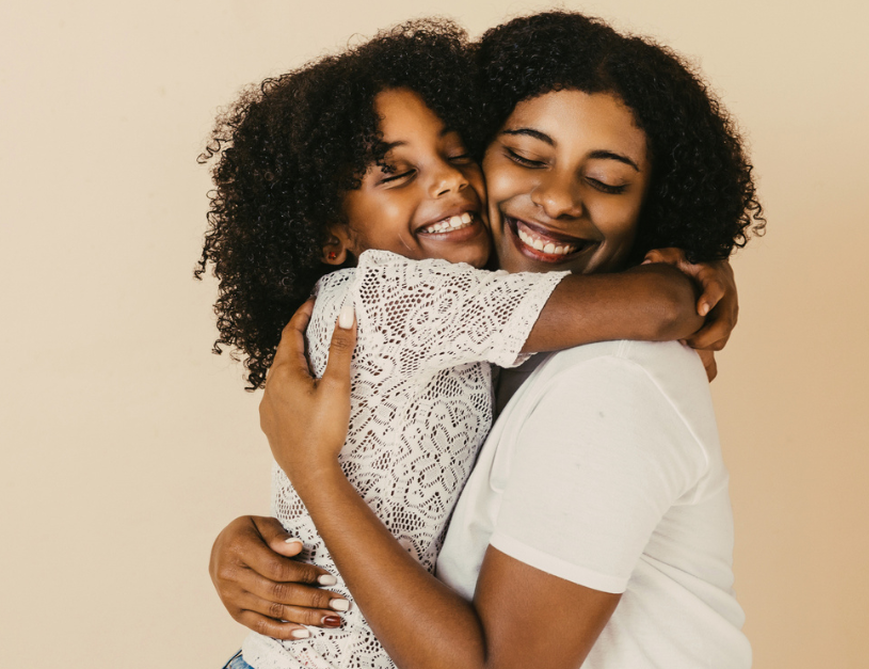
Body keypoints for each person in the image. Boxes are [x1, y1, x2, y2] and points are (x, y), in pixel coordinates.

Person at [210, 11, 765, 669]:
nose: (555, 198)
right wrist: (253, 542)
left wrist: (313, 474)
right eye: (526, 156)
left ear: (656, 202)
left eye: (608, 179)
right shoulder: (453, 323)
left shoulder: (614, 379)